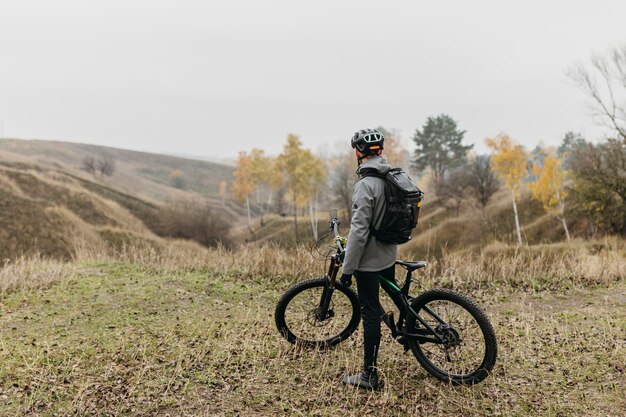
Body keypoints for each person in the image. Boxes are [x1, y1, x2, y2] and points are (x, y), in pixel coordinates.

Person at [339, 128, 402, 391]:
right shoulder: (391, 176)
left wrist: (347, 268)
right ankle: (408, 329)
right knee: (395, 294)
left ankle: (369, 375)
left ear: (358, 152)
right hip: (389, 253)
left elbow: (359, 231)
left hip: (369, 261)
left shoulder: (366, 185)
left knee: (370, 312)